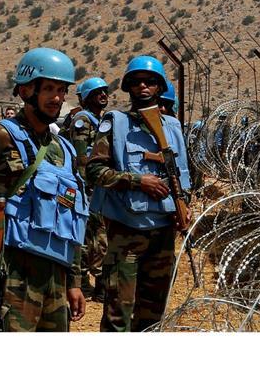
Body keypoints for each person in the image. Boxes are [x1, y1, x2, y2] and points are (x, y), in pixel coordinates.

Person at [0, 48, 87, 331]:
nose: (57, 98)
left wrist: (74, 283)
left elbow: (72, 221)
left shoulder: (65, 150)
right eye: (48, 88)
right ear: (25, 91)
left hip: (55, 276)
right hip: (13, 273)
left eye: (61, 90)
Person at [87, 55, 191, 332]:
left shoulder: (173, 127)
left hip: (163, 233)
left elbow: (182, 176)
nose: (143, 86)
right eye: (137, 82)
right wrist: (137, 181)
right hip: (126, 231)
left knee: (154, 311)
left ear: (159, 87)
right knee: (118, 312)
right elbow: (95, 171)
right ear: (129, 87)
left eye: (150, 82)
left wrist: (184, 206)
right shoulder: (115, 123)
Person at [68, 76, 110, 301]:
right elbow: (82, 157)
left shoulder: (97, 120)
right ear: (87, 98)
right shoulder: (83, 120)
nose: (103, 95)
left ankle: (93, 281)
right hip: (88, 188)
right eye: (97, 93)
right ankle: (88, 282)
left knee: (95, 236)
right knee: (93, 236)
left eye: (105, 91)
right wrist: (89, 186)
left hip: (96, 187)